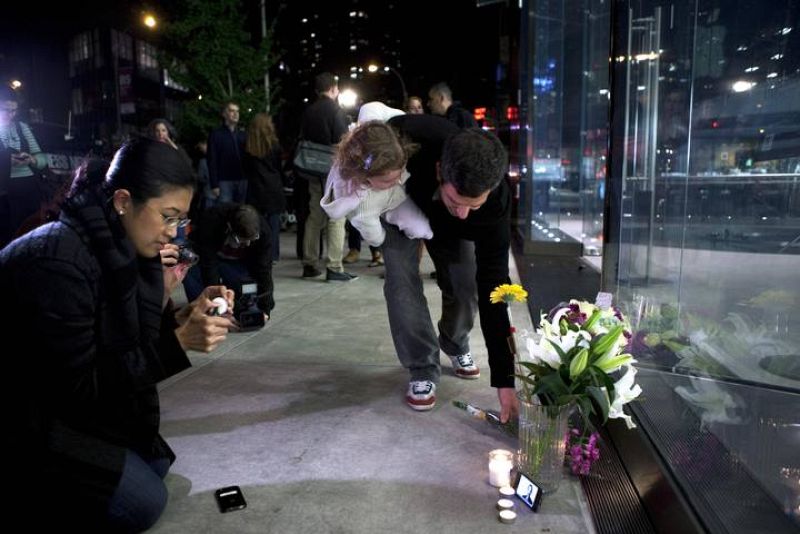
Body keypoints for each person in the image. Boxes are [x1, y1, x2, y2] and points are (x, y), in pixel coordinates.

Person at [0, 138, 235, 531]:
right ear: (124, 200)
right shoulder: (58, 259)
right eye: (168, 216)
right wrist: (177, 342)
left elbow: (123, 339)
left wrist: (183, 317)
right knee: (145, 503)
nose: (173, 234)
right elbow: (78, 387)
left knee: (155, 461)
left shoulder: (117, 243)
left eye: (181, 221)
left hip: (61, 397)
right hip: (27, 412)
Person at [377, 113, 517, 421]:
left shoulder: (496, 203)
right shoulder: (411, 137)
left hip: (448, 229)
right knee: (401, 280)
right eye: (457, 201)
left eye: (474, 204)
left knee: (466, 283)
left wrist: (505, 379)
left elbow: (495, 287)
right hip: (405, 206)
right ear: (440, 170)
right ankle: (422, 365)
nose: (465, 213)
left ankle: (454, 341)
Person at [298, 72, 357, 282]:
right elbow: (343, 144)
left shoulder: (309, 111)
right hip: (332, 172)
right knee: (336, 218)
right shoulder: (336, 111)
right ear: (333, 88)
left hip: (312, 171)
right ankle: (334, 266)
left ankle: (309, 263)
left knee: (315, 217)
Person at [182, 202, 274, 320]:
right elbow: (209, 265)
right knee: (189, 269)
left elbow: (264, 269)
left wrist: (265, 309)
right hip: (205, 256)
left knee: (246, 288)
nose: (248, 244)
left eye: (252, 240)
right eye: (242, 240)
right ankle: (202, 308)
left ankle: (235, 306)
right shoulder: (212, 219)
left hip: (236, 263)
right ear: (230, 228)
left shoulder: (264, 232)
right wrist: (216, 301)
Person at [0, 86, 48, 246]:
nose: (10, 115)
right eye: (6, 110)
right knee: (9, 234)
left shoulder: (22, 127)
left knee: (32, 232)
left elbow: (42, 159)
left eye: (14, 111)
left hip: (29, 188)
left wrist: (31, 160)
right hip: (6, 191)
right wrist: (7, 160)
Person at [243, 113, 285, 263]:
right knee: (273, 225)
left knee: (256, 224)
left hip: (256, 189)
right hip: (273, 188)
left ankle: (257, 253)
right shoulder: (274, 145)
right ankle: (273, 254)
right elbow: (279, 167)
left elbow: (246, 168)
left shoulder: (248, 147)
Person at [208, 101, 247, 204]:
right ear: (224, 114)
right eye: (231, 111)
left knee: (242, 214)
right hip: (224, 181)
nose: (235, 114)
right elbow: (212, 159)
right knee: (225, 213)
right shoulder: (216, 134)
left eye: (237, 111)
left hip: (243, 180)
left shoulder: (243, 135)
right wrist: (214, 184)